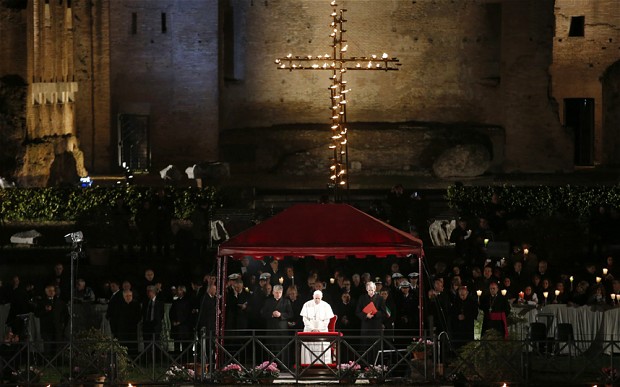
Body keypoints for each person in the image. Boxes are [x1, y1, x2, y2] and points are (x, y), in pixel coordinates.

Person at [299, 290, 335, 365]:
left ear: (322, 297)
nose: (317, 300)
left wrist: (319, 329)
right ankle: (307, 365)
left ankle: (324, 366)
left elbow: (327, 320)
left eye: (319, 298)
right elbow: (305, 319)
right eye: (316, 298)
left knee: (323, 350)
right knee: (308, 349)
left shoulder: (326, 305)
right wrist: (312, 328)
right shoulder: (307, 304)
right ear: (313, 297)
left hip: (322, 331)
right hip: (309, 331)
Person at [261, 285, 293, 366]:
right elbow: (262, 313)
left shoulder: (286, 301)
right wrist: (272, 314)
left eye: (280, 292)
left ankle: (283, 366)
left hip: (282, 329)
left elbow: (291, 314)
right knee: (271, 348)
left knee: (282, 348)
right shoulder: (268, 301)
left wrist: (281, 315)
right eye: (276, 292)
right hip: (271, 328)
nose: (278, 294)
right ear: (273, 292)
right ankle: (270, 366)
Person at [355, 281, 387, 363]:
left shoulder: (380, 298)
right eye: (369, 290)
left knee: (376, 348)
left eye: (372, 290)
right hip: (366, 327)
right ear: (366, 290)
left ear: (375, 289)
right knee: (365, 348)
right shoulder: (362, 298)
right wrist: (366, 316)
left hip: (376, 327)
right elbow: (357, 312)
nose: (371, 292)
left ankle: (377, 367)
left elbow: (384, 312)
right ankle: (365, 366)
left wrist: (375, 313)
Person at [35, 285, 67, 354]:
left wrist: (62, 325)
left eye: (53, 290)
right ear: (46, 292)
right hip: (47, 330)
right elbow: (37, 314)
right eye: (50, 291)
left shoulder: (60, 302)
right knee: (48, 349)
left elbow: (65, 315)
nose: (52, 292)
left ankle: (58, 363)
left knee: (57, 349)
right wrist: (45, 310)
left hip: (57, 330)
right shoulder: (41, 302)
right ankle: (48, 363)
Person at [116, 290, 142, 354]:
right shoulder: (119, 305)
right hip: (122, 330)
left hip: (132, 329)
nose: (128, 297)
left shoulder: (136, 304)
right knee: (123, 347)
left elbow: (139, 316)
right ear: (123, 296)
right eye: (126, 296)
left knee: (133, 346)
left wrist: (134, 322)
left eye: (130, 295)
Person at [169, 285, 193, 353]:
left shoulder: (187, 301)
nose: (177, 291)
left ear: (183, 291)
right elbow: (171, 313)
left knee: (185, 346)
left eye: (179, 290)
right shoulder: (175, 301)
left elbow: (187, 314)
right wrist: (173, 321)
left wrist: (180, 321)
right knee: (176, 345)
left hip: (184, 327)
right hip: (176, 328)